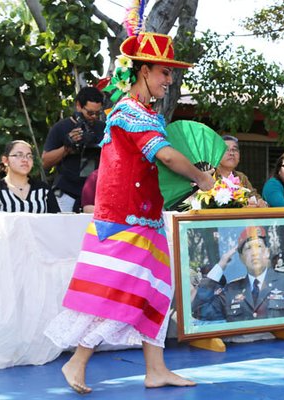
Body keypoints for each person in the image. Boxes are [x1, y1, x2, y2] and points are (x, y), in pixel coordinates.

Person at [44, 31, 214, 393]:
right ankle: (77, 361)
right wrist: (201, 177)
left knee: (156, 292)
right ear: (144, 72)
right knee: (114, 293)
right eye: (164, 72)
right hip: (123, 221)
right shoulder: (130, 112)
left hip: (145, 218)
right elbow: (165, 155)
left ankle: (156, 369)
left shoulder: (145, 113)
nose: (169, 80)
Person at [191, 226, 284, 321]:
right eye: (248, 248)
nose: (254, 253)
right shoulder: (231, 290)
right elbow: (200, 312)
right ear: (241, 258)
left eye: (259, 246)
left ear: (267, 252)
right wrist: (221, 265)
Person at [42, 86, 106, 213]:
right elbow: (45, 162)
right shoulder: (61, 127)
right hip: (67, 191)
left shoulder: (103, 128)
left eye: (98, 113)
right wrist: (67, 147)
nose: (94, 117)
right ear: (78, 106)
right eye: (90, 113)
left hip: (95, 193)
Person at [0, 140, 60, 213]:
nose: (25, 160)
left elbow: (56, 221)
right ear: (5, 160)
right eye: (19, 155)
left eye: (29, 156)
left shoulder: (43, 190)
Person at [215, 135, 268, 207]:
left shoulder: (241, 177)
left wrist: (259, 202)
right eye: (226, 149)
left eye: (234, 150)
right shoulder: (210, 176)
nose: (231, 153)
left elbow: (254, 196)